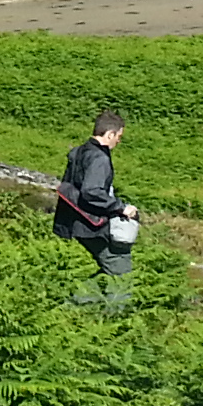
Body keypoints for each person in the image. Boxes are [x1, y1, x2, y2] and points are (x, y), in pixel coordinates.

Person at [53, 108, 138, 299]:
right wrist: (121, 208)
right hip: (92, 226)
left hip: (74, 222)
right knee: (121, 271)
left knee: (108, 267)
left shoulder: (78, 151)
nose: (119, 141)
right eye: (119, 136)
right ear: (110, 134)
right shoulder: (99, 158)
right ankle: (112, 316)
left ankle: (76, 304)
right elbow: (91, 191)